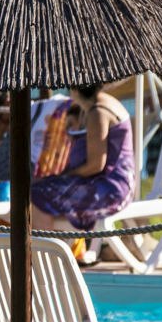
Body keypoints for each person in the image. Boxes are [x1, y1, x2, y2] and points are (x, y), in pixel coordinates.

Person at [29, 83, 137, 238]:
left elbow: (95, 165)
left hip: (112, 189)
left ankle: (45, 252)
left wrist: (63, 175)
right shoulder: (103, 103)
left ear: (74, 90)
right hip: (115, 184)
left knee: (37, 193)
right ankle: (60, 245)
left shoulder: (98, 112)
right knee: (41, 191)